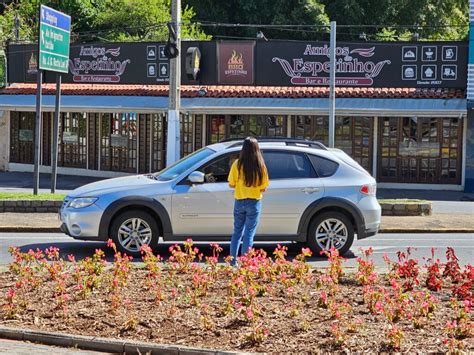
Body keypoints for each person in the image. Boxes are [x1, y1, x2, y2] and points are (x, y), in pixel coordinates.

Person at [227, 137, 269, 266]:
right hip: (254, 202)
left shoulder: (237, 164)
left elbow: (231, 183)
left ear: (243, 149)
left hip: (239, 201)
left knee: (237, 232)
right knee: (249, 234)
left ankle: (233, 262)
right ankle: (246, 263)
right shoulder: (260, 165)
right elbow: (264, 186)